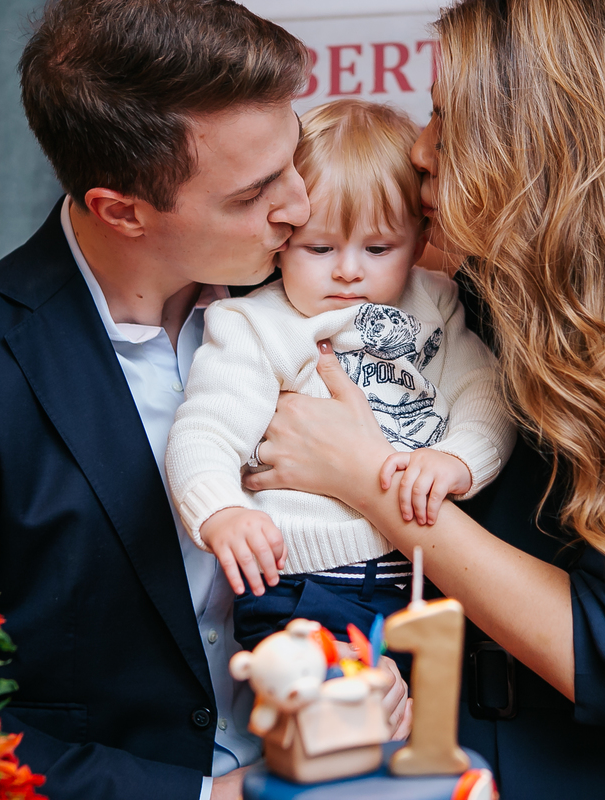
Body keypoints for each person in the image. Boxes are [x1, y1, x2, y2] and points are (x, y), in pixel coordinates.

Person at [241, 0, 605, 797]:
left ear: (541, 143)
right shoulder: (443, 279)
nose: (420, 148)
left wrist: (373, 481)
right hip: (425, 753)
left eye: (449, 121)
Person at [0, 3, 412, 799]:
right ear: (121, 210)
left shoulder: (332, 303)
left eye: (294, 159)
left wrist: (370, 668)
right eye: (252, 194)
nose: (300, 206)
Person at [166, 99, 515, 651]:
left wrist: (459, 459)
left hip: (427, 583)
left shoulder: (436, 303)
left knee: (421, 706)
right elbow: (205, 429)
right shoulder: (256, 325)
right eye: (320, 247)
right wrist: (220, 510)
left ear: (419, 242)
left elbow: (486, 393)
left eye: (377, 248)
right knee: (330, 698)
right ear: (282, 243)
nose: (348, 270)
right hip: (306, 590)